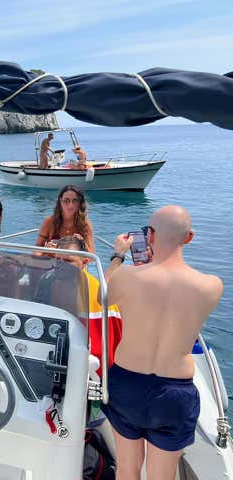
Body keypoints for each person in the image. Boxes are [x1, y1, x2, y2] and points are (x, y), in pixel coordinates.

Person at [101, 206, 223, 480]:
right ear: (188, 238)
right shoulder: (211, 285)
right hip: (175, 392)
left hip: (127, 383)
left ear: (150, 236)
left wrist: (118, 256)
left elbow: (102, 296)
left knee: (127, 469)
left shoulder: (128, 276)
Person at [54, 235, 122, 377]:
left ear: (84, 262)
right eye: (57, 259)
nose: (60, 265)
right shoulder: (50, 281)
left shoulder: (92, 292)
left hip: (88, 364)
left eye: (68, 261)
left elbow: (102, 347)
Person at [37, 185, 95, 253]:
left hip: (74, 260)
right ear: (60, 201)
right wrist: (45, 250)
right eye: (66, 200)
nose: (70, 205)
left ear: (79, 203)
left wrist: (82, 243)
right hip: (51, 259)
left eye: (75, 201)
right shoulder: (49, 222)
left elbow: (91, 255)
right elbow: (37, 249)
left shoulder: (85, 225)